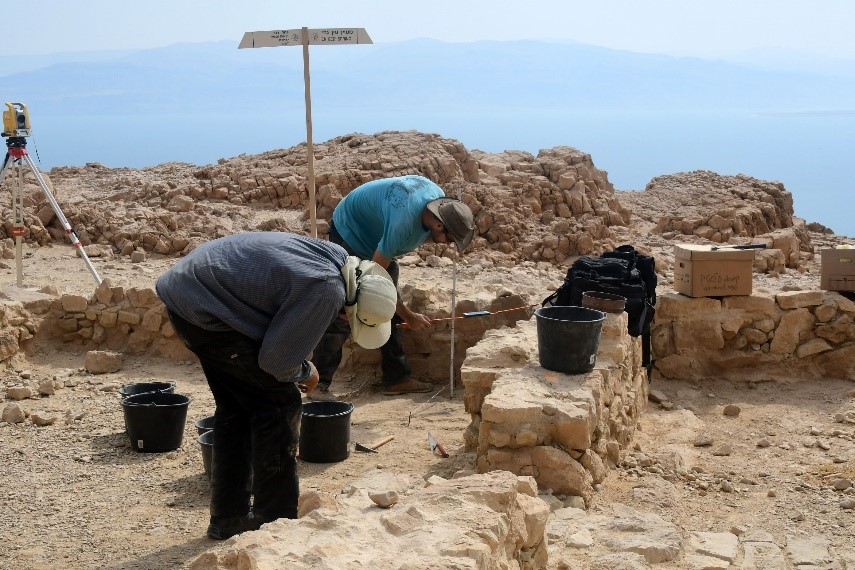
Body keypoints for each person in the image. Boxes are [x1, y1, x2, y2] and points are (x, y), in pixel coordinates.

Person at [155, 231, 397, 540]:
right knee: (278, 405)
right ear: (349, 309)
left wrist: (296, 353)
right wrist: (306, 372)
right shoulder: (328, 290)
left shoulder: (337, 258)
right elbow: (276, 362)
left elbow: (283, 318)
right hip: (205, 308)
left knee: (236, 408)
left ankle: (228, 518)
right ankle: (276, 524)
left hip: (189, 291)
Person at [309, 174, 476, 399]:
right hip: (350, 231)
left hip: (376, 235)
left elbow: (399, 251)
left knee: (388, 306)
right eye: (450, 238)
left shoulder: (437, 202)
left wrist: (399, 309)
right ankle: (318, 384)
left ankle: (396, 378)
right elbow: (374, 283)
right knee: (347, 308)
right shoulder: (402, 225)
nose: (448, 244)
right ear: (438, 224)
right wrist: (409, 316)